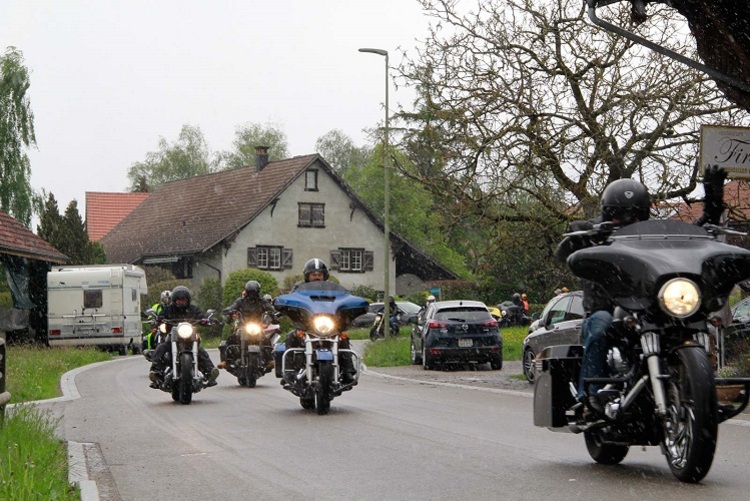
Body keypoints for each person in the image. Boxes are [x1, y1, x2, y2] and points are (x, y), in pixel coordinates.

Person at [556, 166, 726, 412]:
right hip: (605, 309)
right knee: (601, 323)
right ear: (606, 213)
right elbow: (564, 251)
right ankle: (590, 397)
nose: (626, 221)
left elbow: (695, 233)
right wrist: (587, 238)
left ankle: (695, 396)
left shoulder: (655, 234)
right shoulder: (590, 229)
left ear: (644, 215)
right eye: (617, 215)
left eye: (634, 216)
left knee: (684, 323)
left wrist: (713, 199)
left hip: (646, 308)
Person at [283, 258, 356, 383]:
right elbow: (291, 299)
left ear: (324, 276)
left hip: (328, 323)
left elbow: (344, 299)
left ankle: (348, 370)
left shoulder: (333, 289)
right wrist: (285, 306)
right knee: (291, 337)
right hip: (307, 324)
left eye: (319, 274)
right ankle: (289, 372)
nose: (316, 277)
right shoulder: (299, 287)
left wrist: (349, 307)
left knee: (342, 338)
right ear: (307, 276)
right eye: (313, 274)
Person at [149, 286, 219, 388]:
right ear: (174, 300)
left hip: (189, 336)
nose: (181, 302)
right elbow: (161, 316)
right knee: (162, 347)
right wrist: (158, 320)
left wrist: (207, 320)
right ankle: (155, 372)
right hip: (172, 336)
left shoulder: (192, 309)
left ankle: (210, 372)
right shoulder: (169, 309)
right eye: (179, 299)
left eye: (183, 299)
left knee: (200, 350)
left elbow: (201, 316)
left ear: (188, 300)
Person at [218, 280, 277, 370]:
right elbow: (232, 307)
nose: (252, 295)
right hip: (243, 326)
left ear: (258, 292)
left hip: (257, 326)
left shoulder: (262, 302)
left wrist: (273, 313)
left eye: (254, 292)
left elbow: (271, 309)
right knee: (231, 339)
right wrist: (229, 311)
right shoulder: (241, 301)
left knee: (266, 341)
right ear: (247, 292)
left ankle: (269, 360)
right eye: (250, 292)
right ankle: (225, 361)